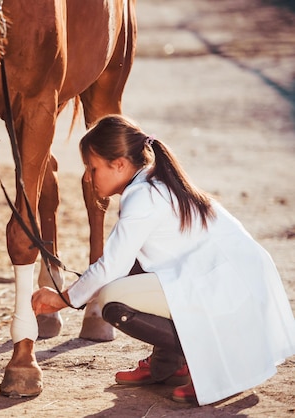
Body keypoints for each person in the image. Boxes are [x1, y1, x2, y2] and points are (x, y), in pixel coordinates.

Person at [31, 114, 295, 406]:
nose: (88, 177)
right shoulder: (151, 182)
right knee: (131, 273)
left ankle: (207, 359)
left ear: (119, 164)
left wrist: (63, 299)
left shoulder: (142, 196)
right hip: (227, 279)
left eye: (92, 168)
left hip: (228, 286)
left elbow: (111, 267)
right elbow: (126, 264)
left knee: (112, 302)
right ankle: (169, 363)